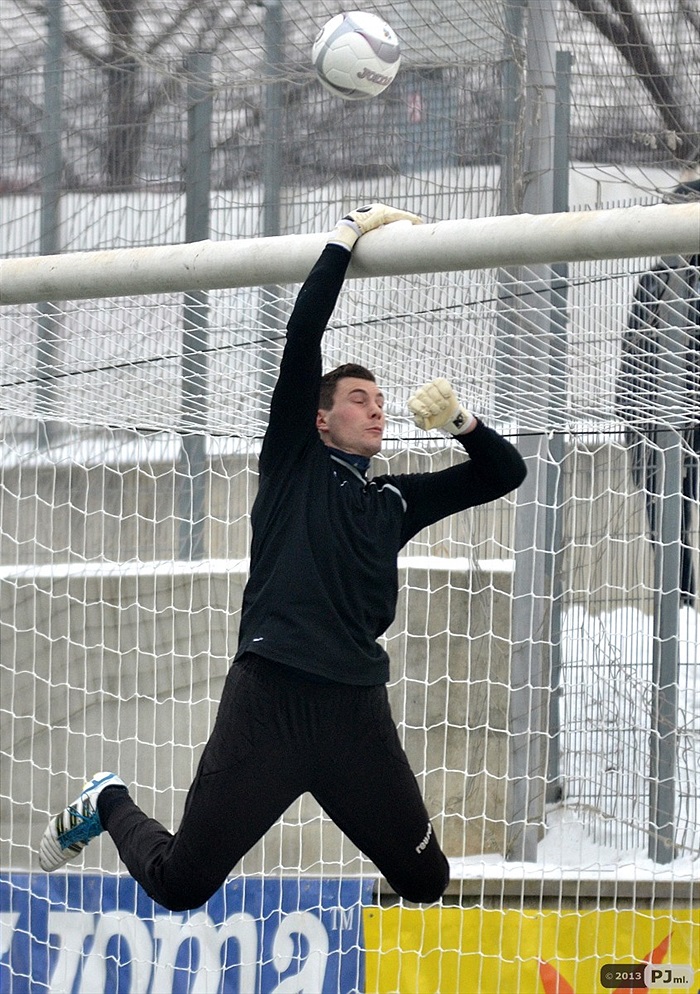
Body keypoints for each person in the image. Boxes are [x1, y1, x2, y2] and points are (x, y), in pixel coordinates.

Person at [39, 203, 527, 910]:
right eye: (359, 399)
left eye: (381, 401)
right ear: (322, 418)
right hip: (270, 701)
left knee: (426, 881)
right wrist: (345, 238)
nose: (377, 409)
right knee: (181, 884)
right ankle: (107, 800)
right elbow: (304, 336)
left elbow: (504, 474)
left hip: (354, 714)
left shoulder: (394, 501)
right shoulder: (294, 461)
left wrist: (461, 422)